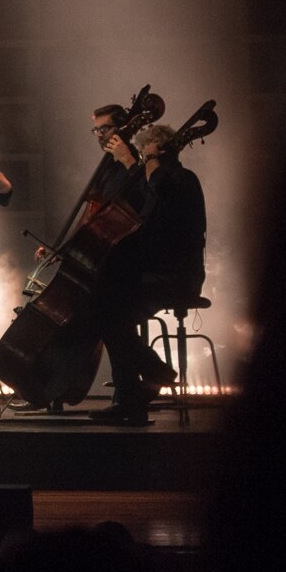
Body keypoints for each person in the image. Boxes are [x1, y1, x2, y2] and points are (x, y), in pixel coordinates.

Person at [84, 122, 204, 423]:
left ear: (160, 148)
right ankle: (139, 389)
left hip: (174, 278)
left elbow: (159, 198)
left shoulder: (180, 180)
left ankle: (144, 383)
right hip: (154, 274)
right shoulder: (157, 183)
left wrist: (131, 163)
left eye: (144, 147)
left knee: (107, 313)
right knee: (107, 313)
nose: (139, 151)